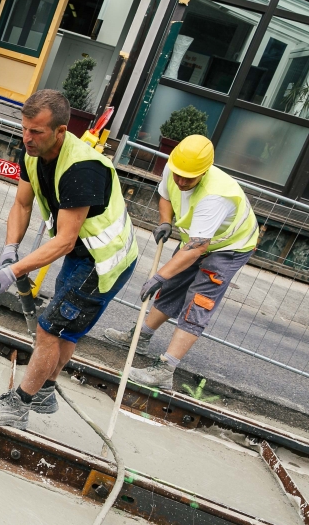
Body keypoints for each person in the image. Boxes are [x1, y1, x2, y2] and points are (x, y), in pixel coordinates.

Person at [0, 89, 138, 430]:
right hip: (80, 255)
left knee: (50, 329)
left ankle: (20, 404)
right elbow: (22, 204)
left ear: (60, 131)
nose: (27, 138)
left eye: (37, 132)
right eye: (25, 128)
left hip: (102, 262)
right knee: (66, 330)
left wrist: (13, 272)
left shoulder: (82, 168)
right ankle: (45, 389)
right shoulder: (32, 151)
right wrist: (9, 249)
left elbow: (64, 239)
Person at [103, 135, 258, 389]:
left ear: (204, 171)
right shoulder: (176, 167)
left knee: (198, 301)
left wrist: (158, 275)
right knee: (173, 285)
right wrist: (165, 220)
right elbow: (165, 195)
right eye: (179, 175)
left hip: (229, 247)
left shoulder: (214, 196)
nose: (182, 181)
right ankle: (139, 338)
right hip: (195, 241)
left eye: (190, 178)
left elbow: (198, 249)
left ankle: (166, 369)